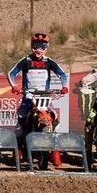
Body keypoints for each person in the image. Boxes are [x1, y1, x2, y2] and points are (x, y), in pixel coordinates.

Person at [9, 32, 72, 165]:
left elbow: (62, 74)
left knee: (55, 122)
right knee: (20, 122)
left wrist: (64, 86)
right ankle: (18, 152)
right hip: (28, 97)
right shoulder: (26, 61)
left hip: (45, 97)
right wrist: (14, 86)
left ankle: (55, 153)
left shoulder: (49, 62)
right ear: (32, 46)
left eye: (42, 47)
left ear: (47, 47)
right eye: (37, 46)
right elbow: (11, 73)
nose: (39, 50)